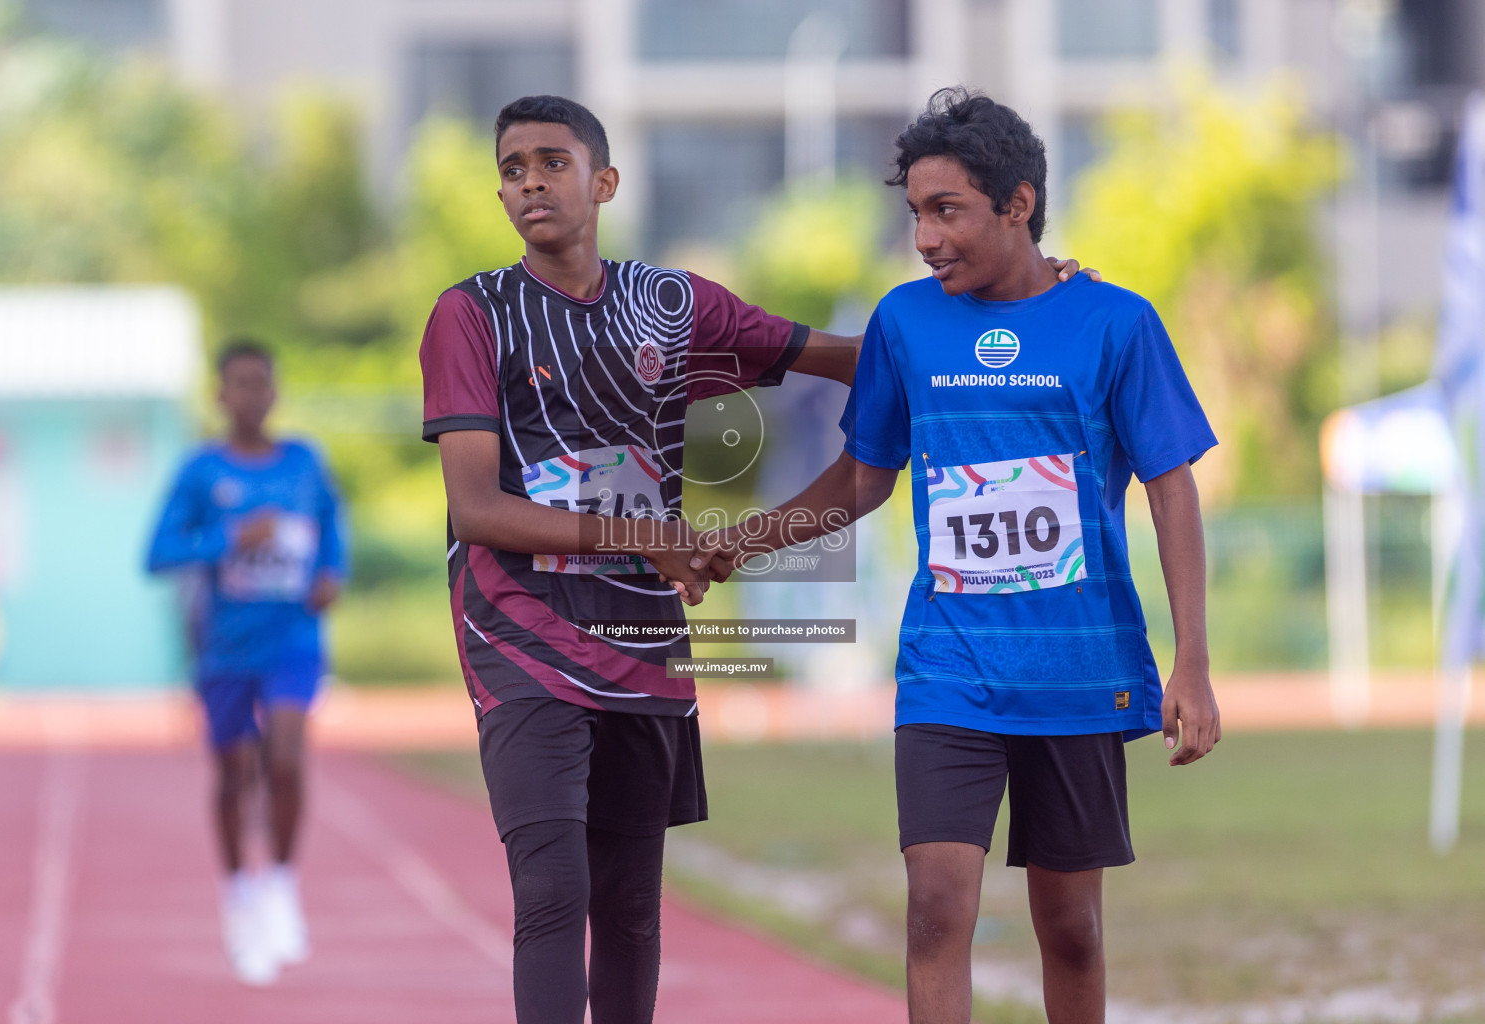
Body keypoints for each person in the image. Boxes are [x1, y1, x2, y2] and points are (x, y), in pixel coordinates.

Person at [420, 93, 1092, 1024]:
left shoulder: (673, 304)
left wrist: (1031, 302)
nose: (530, 181)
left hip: (639, 637)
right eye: (511, 169)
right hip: (520, 636)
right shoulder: (471, 315)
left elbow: (855, 357)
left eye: (552, 162)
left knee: (629, 906)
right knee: (551, 893)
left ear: (605, 181)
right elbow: (474, 505)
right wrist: (645, 535)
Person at [693, 88, 1222, 1024]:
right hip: (948, 668)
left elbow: (1169, 484)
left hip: (1077, 667)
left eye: (948, 212)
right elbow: (864, 476)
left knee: (1071, 928)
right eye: (915, 216)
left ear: (1017, 204)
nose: (926, 238)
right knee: (935, 911)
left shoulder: (1116, 323)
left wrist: (1192, 662)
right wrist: (740, 543)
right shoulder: (906, 323)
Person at [146, 339, 345, 987]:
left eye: (263, 383)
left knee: (285, 757)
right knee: (233, 774)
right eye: (240, 384)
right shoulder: (200, 471)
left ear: (275, 392)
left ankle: (280, 884)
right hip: (224, 648)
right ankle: (238, 892)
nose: (253, 395)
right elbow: (157, 553)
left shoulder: (304, 462)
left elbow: (331, 527)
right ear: (220, 395)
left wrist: (330, 573)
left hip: (292, 638)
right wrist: (232, 536)